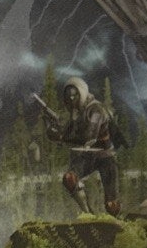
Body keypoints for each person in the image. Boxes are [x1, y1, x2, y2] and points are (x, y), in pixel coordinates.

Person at [39, 76, 120, 216]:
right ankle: (88, 214)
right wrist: (52, 129)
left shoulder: (97, 110)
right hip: (87, 157)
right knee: (70, 178)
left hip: (105, 157)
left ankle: (117, 221)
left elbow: (88, 137)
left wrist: (60, 136)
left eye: (74, 95)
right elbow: (67, 135)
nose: (71, 99)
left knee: (111, 205)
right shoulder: (77, 113)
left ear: (81, 93)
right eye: (68, 96)